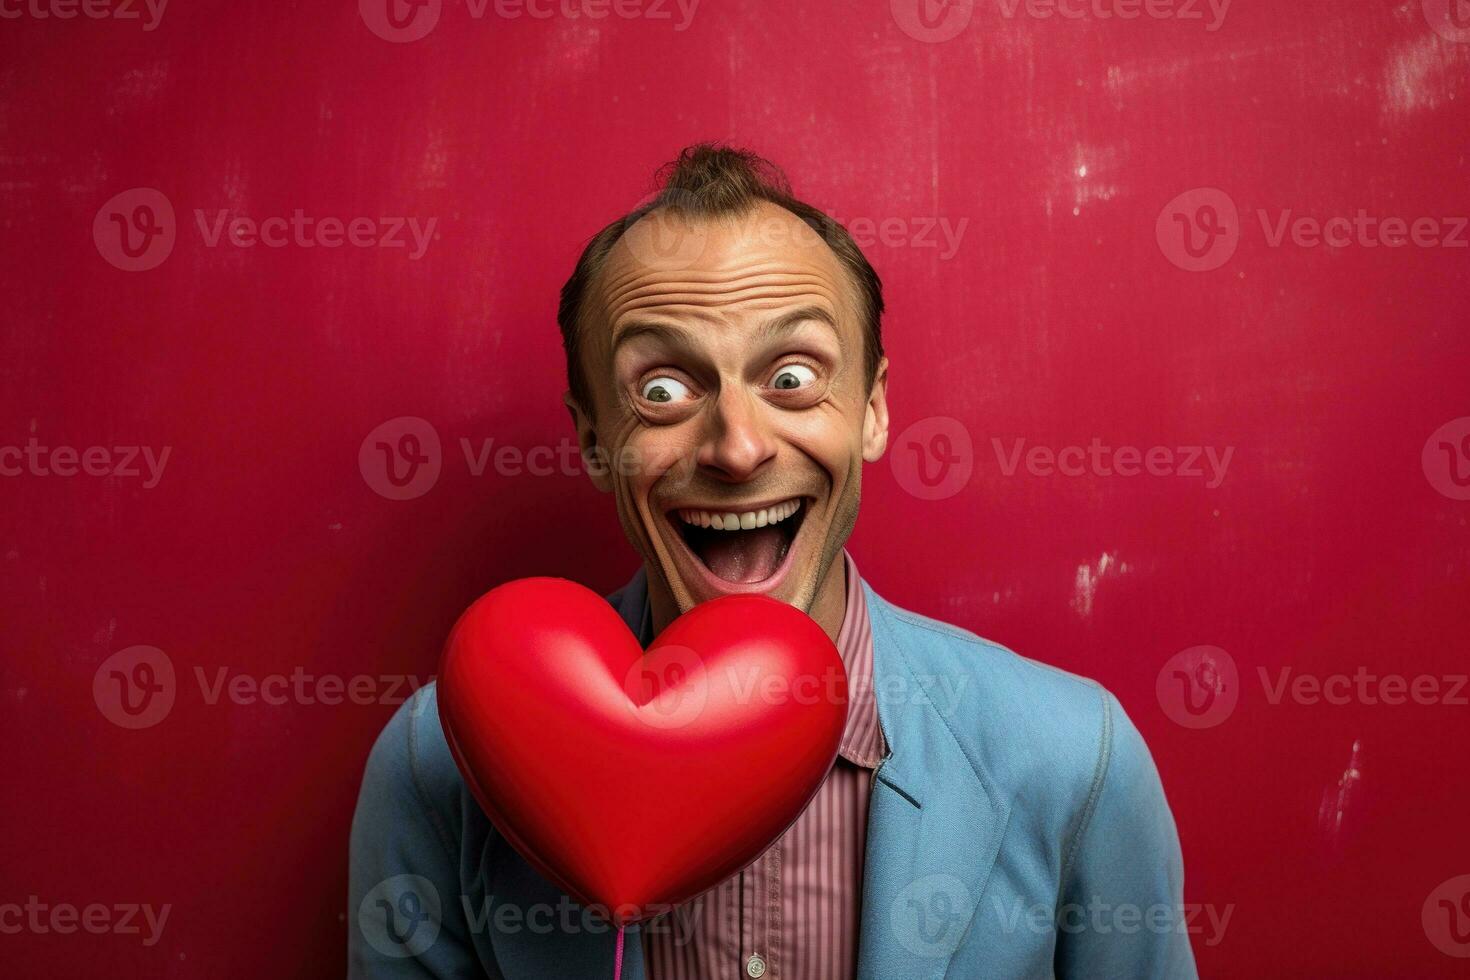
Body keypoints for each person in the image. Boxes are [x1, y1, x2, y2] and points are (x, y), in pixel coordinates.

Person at [349, 143, 1197, 979]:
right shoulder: (437, 767)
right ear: (594, 438)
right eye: (663, 391)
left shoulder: (1074, 759)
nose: (738, 447)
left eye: (792, 376)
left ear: (871, 409)